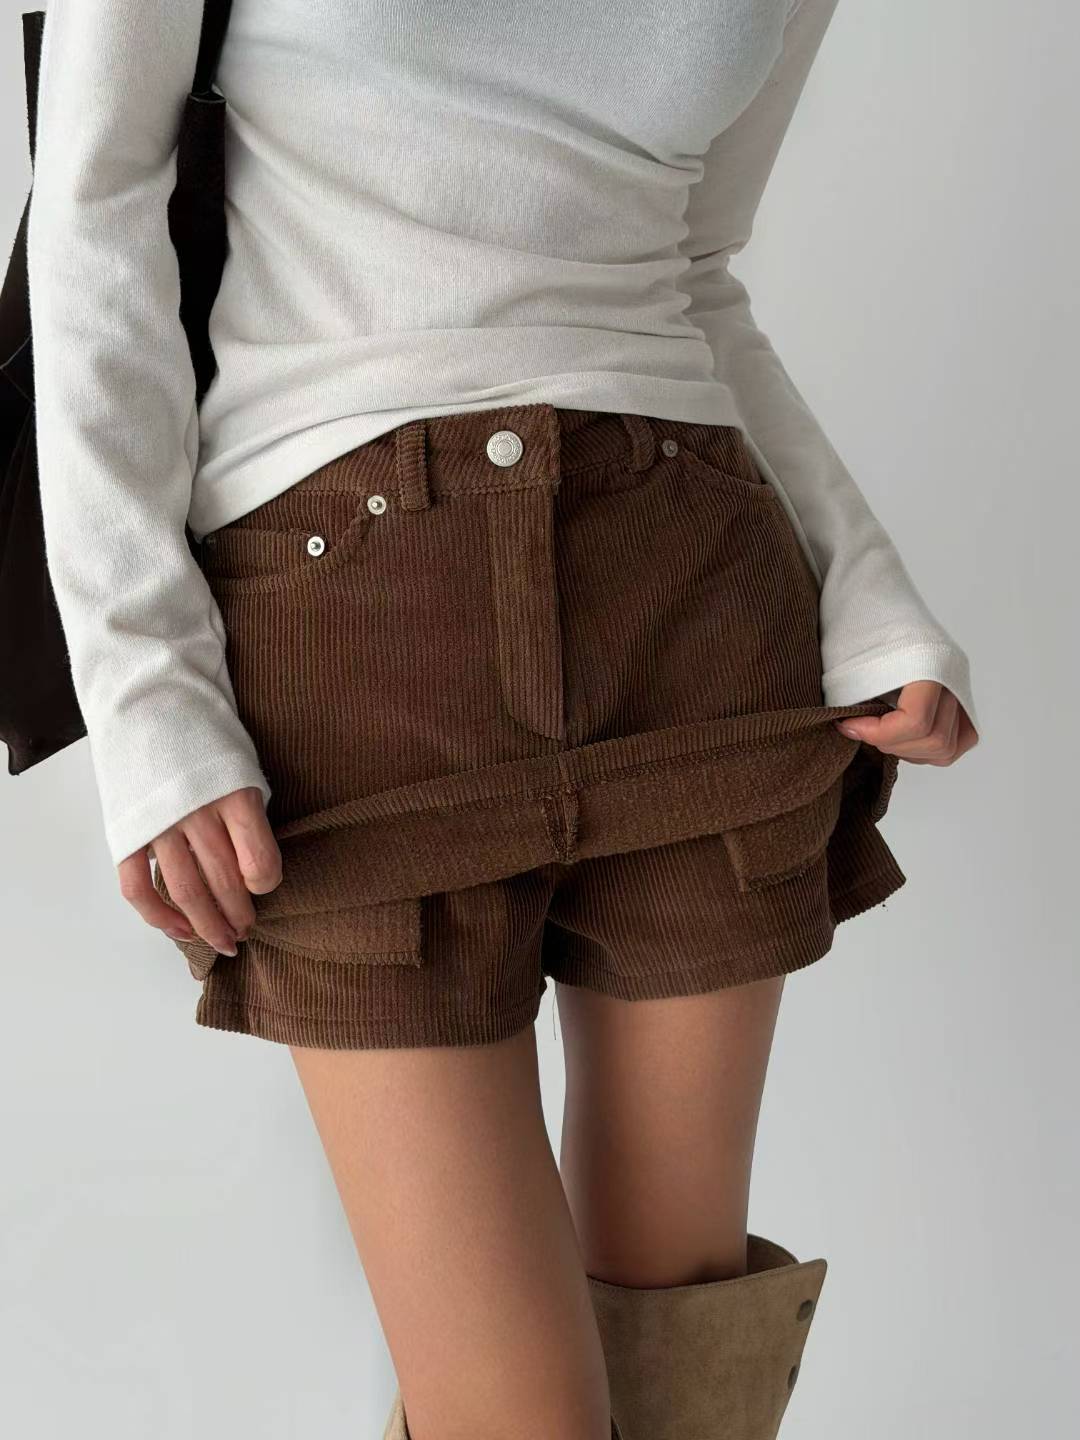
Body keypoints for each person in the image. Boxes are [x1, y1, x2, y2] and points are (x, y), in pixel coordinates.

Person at [26, 1, 978, 1436]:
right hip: (351, 638)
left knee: (685, 1360)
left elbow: (696, 266)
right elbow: (96, 212)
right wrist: (147, 686)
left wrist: (868, 587)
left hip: (697, 604)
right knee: (517, 1414)